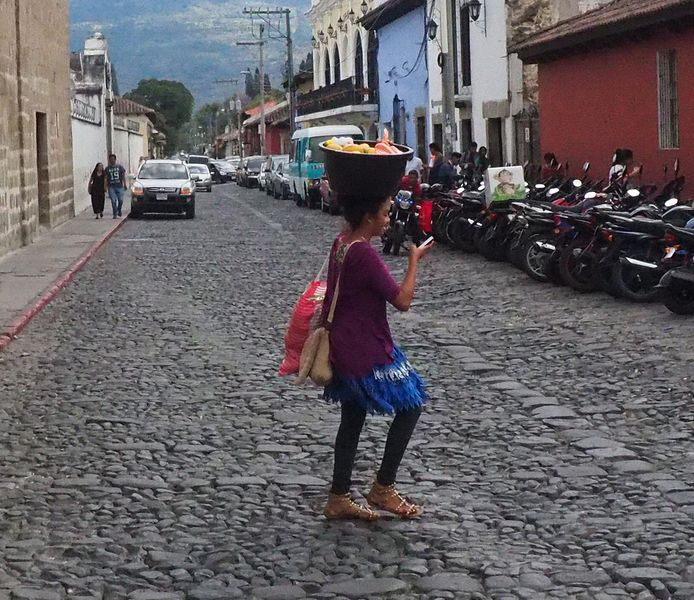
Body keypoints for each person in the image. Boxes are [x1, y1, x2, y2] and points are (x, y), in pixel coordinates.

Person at [322, 195, 431, 521]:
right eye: (384, 214)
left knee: (352, 417)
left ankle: (338, 496)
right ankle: (383, 487)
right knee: (411, 405)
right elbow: (402, 300)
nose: (388, 220)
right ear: (368, 215)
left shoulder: (341, 243)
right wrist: (414, 261)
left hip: (343, 341)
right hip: (364, 346)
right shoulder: (364, 253)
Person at [106, 154, 127, 218]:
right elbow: (105, 178)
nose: (112, 160)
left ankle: (119, 209)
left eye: (113, 159)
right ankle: (115, 213)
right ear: (109, 160)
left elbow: (123, 176)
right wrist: (105, 187)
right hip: (111, 186)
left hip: (119, 186)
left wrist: (125, 184)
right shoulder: (107, 168)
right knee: (113, 200)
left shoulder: (120, 167)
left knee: (121, 200)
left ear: (115, 159)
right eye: (111, 159)